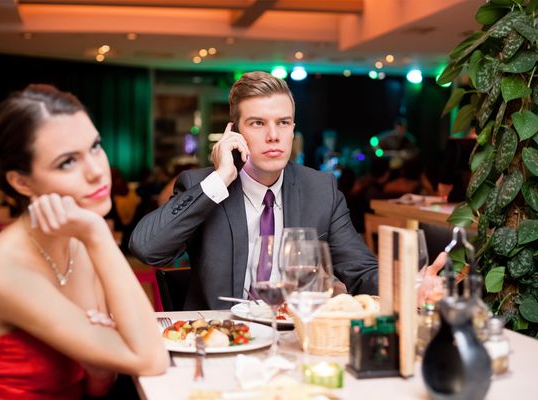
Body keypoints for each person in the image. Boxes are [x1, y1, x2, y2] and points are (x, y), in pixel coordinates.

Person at [0, 84, 169, 399]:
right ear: (21, 181)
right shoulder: (3, 271)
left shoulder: (78, 239)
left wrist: (102, 372)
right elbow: (152, 359)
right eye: (67, 162)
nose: (97, 171)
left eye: (96, 147)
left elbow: (102, 381)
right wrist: (99, 234)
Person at [130, 71, 379, 310]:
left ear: (293, 129)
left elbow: (362, 271)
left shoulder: (320, 190)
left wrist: (413, 285)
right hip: (222, 340)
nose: (273, 135)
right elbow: (146, 249)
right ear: (235, 133)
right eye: (258, 123)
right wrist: (221, 178)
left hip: (293, 338)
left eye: (283, 123)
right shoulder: (203, 185)